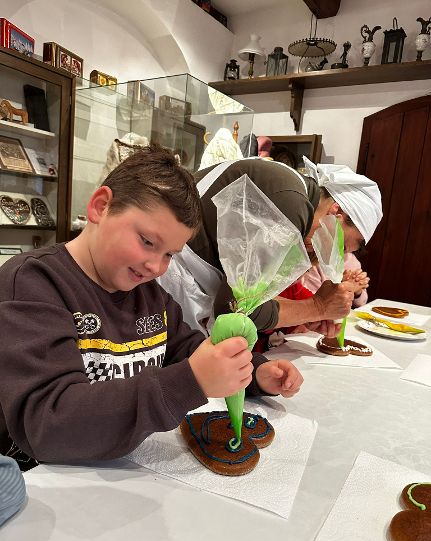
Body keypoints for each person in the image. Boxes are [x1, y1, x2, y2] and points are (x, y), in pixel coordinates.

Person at [0, 146, 304, 471]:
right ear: (101, 206)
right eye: (147, 241)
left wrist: (252, 372)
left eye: (170, 254)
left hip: (116, 476)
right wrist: (189, 382)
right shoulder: (32, 285)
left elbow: (188, 349)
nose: (155, 266)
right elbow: (48, 425)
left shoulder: (148, 294)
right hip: (36, 482)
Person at [159, 157, 382, 338]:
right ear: (336, 212)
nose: (329, 257)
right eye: (339, 247)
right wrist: (318, 307)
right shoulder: (293, 205)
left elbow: (252, 298)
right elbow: (236, 309)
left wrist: (306, 315)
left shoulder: (291, 186)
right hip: (169, 275)